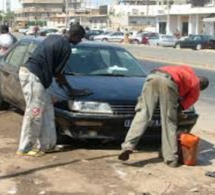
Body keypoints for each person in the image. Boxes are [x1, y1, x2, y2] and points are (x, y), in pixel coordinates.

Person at [16, 23, 87, 157]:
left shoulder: (53, 37)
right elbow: (58, 73)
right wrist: (71, 90)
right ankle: (25, 148)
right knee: (35, 113)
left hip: (36, 77)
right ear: (74, 35)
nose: (80, 41)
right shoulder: (66, 47)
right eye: (80, 38)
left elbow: (53, 69)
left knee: (47, 110)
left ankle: (47, 144)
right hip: (33, 77)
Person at [118, 65, 209, 167]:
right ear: (201, 86)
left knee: (143, 114)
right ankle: (170, 158)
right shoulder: (196, 86)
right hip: (169, 82)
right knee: (169, 122)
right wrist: (178, 114)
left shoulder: (188, 71)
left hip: (153, 76)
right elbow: (181, 107)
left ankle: (128, 146)